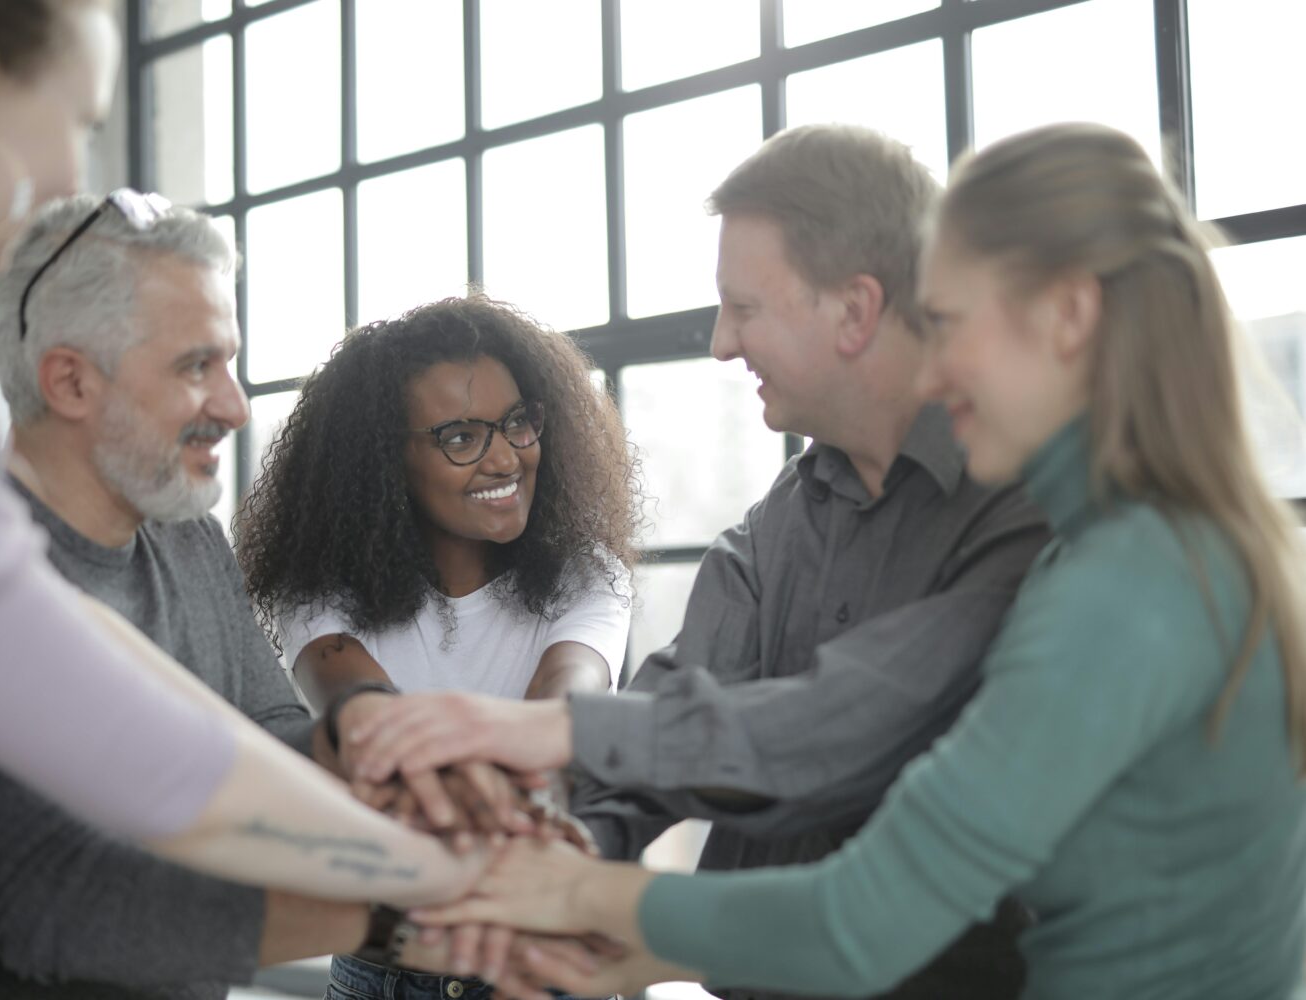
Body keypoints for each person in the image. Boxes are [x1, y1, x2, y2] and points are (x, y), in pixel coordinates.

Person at [402, 121, 1306, 1000]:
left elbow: (858, 879)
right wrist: (591, 887)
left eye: (947, 322)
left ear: (1068, 317)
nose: (933, 365)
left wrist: (570, 877)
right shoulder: (1133, 551)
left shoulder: (1115, 579)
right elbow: (692, 722)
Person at [0, 2, 481, 997]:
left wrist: (368, 752)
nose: (69, 182)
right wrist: (441, 896)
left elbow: (163, 703)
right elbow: (127, 770)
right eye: (83, 119)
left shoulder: (176, 536)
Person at [346, 125, 1050, 999]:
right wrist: (568, 846)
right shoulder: (784, 519)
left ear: (856, 310)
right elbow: (675, 711)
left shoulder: (1021, 512)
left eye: (744, 308)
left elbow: (840, 731)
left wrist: (543, 734)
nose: (721, 343)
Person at [0, 193, 441, 1000]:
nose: (235, 406)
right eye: (196, 366)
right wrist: (405, 917)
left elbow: (263, 730)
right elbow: (57, 906)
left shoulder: (183, 533)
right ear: (69, 381)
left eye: (230, 363)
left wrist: (359, 739)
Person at [234, 292, 643, 1000]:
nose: (505, 458)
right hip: (387, 971)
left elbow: (564, 709)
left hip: (541, 966)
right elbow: (373, 725)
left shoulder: (589, 575)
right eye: (461, 436)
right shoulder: (319, 592)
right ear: (382, 461)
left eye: (518, 422)